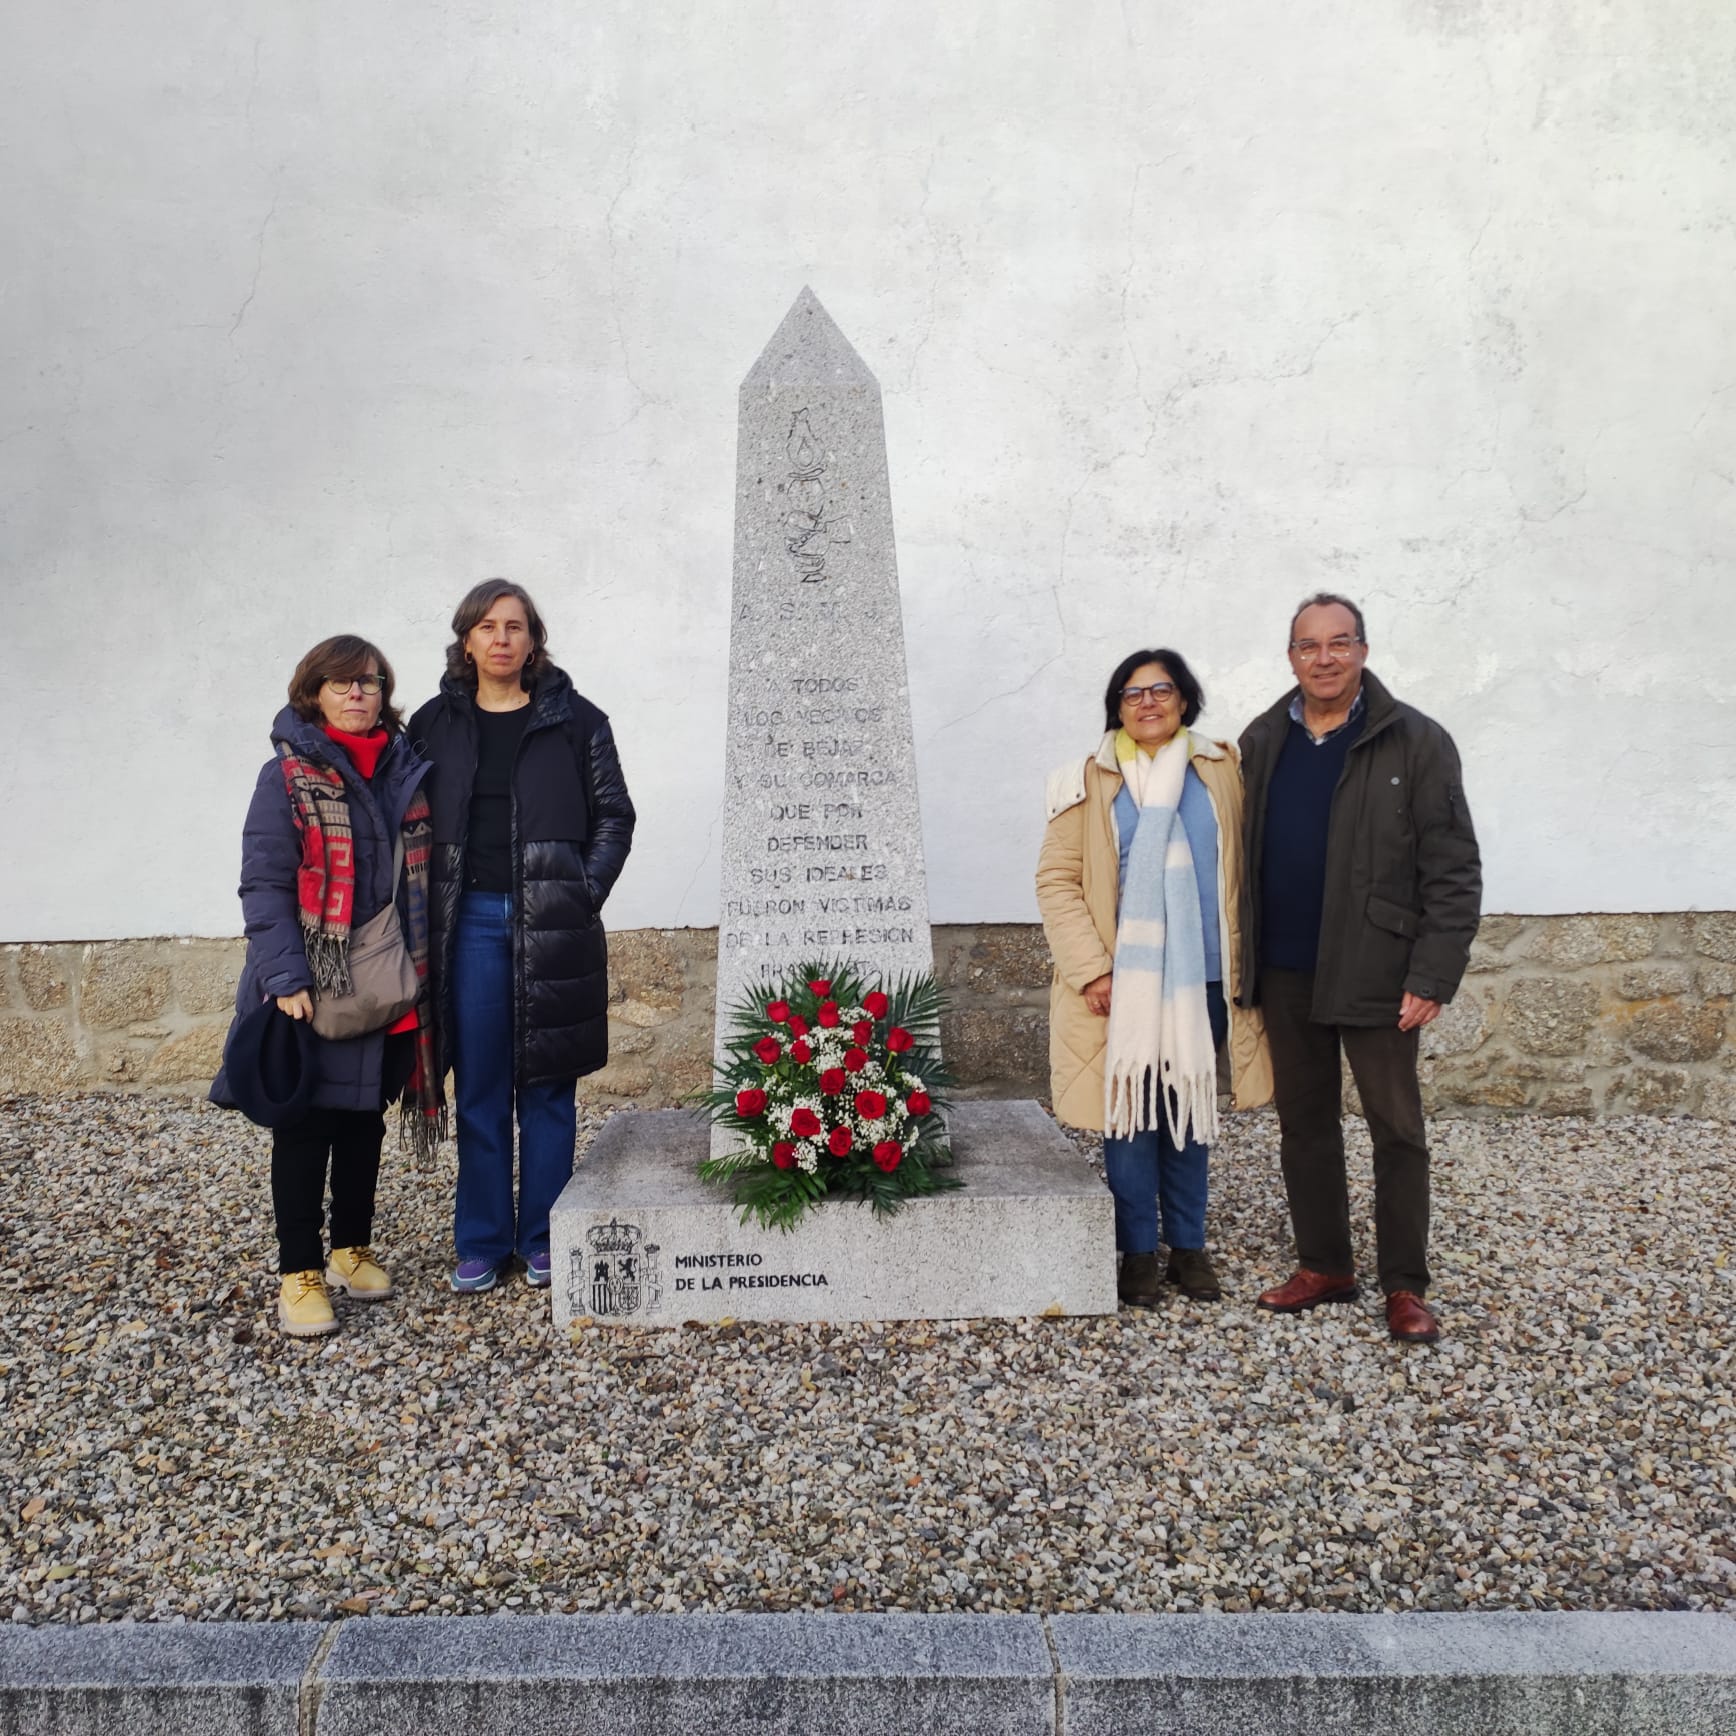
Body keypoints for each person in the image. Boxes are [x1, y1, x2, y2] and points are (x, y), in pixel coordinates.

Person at [1238, 593, 1481, 1344]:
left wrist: (1432, 974)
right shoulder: (1261, 740)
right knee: (1304, 1125)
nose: (1325, 658)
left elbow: (1453, 868)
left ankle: (1405, 1285)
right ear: (1291, 657)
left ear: (1363, 652)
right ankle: (1325, 1265)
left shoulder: (1415, 740)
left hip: (1379, 966)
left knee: (1396, 1127)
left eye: (1340, 643)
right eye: (1309, 646)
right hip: (1286, 965)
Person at [409, 580, 635, 1294]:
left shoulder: (577, 720)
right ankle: (480, 1240)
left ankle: (543, 1236)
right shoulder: (432, 724)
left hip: (551, 923)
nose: (501, 639)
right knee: (478, 1085)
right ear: (466, 639)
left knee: (547, 1086)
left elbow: (615, 818)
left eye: (515, 626)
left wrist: (579, 891)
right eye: (487, 626)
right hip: (469, 921)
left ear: (534, 638)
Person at [211, 636, 438, 1338]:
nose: (357, 694)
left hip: (388, 979)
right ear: (313, 693)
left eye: (369, 682)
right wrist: (284, 976)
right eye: (341, 683)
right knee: (306, 1130)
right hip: (313, 980)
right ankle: (299, 1271)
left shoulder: (404, 769)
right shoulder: (283, 778)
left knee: (362, 1123)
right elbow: (264, 881)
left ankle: (349, 1248)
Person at [1036, 649, 1271, 1309]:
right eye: (1132, 693)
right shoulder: (1085, 783)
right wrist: (1091, 970)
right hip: (1122, 989)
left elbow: (1253, 866)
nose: (1148, 702)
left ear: (1184, 699)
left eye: (1161, 690)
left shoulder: (1223, 772)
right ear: (1116, 706)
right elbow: (1056, 882)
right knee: (1130, 1121)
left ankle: (1188, 1248)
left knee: (1186, 1111)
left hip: (1202, 981)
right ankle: (1138, 1251)